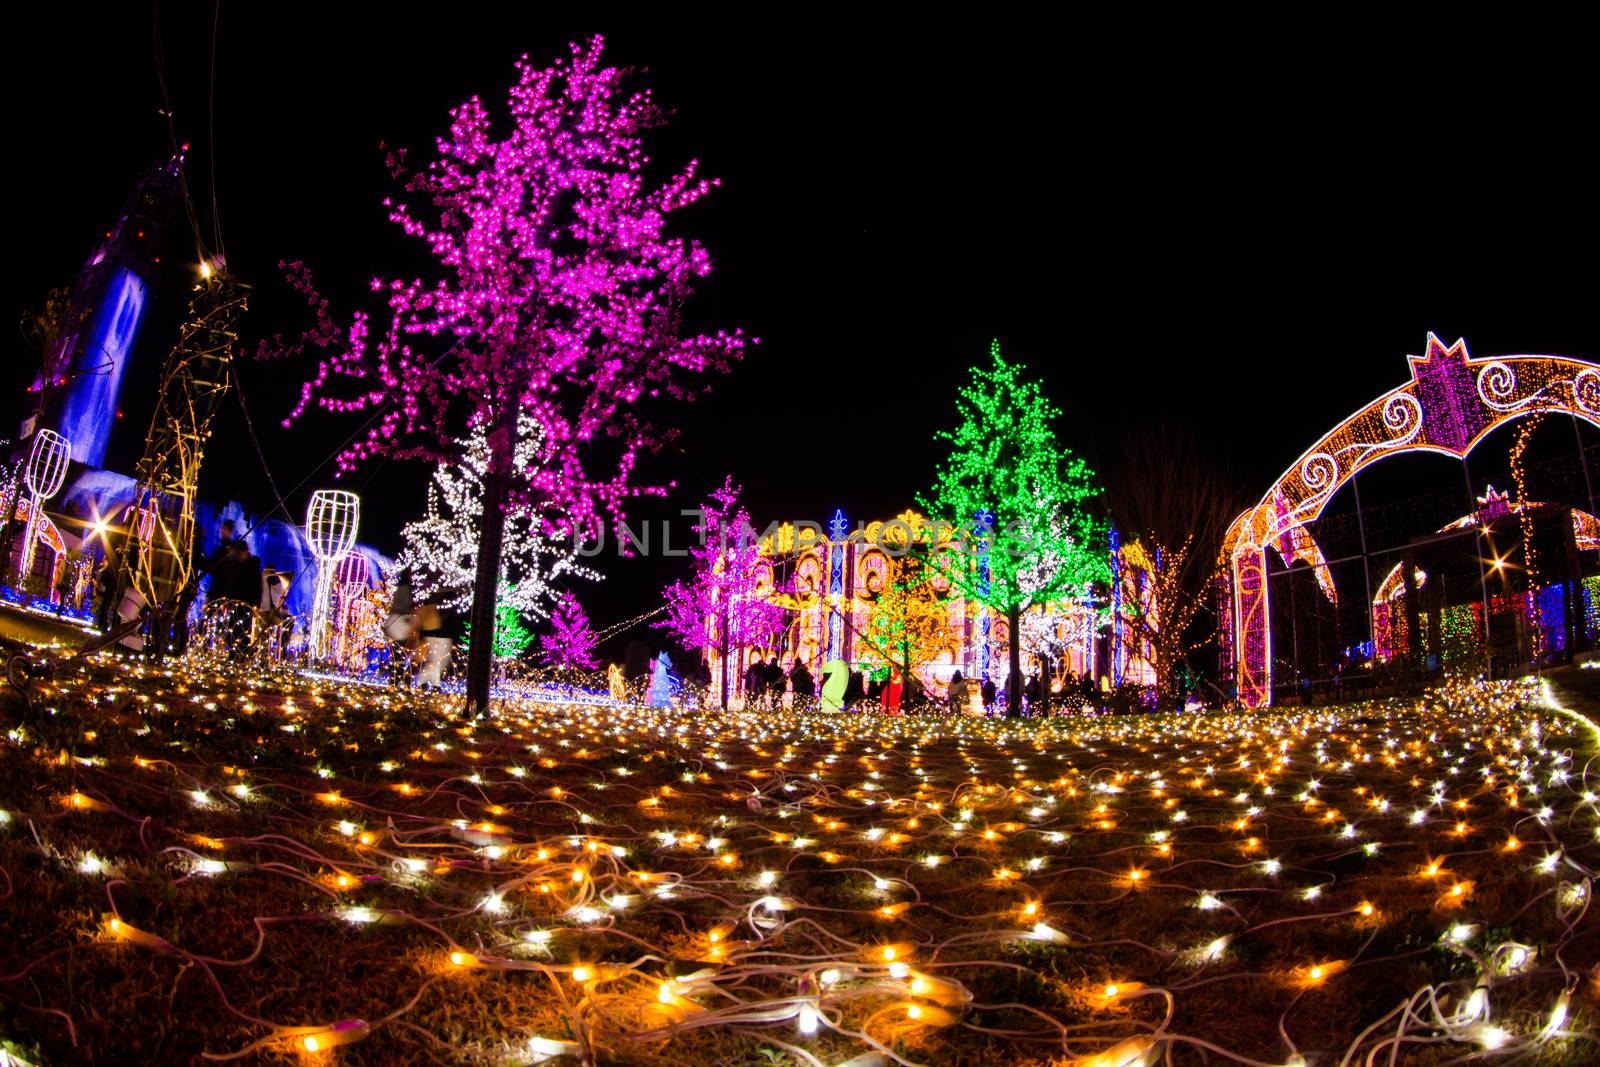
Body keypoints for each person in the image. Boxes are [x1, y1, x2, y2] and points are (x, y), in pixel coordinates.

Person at [223, 540, 262, 658]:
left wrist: (256, 605)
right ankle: (235, 654)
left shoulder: (251, 568)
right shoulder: (239, 566)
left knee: (242, 632)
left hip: (246, 605)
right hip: (237, 603)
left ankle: (240, 655)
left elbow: (256, 588)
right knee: (233, 631)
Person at [414, 599, 453, 690]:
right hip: (437, 637)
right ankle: (428, 683)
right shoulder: (435, 607)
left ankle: (428, 683)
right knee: (436, 663)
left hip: (435, 636)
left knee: (436, 662)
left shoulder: (427, 607)